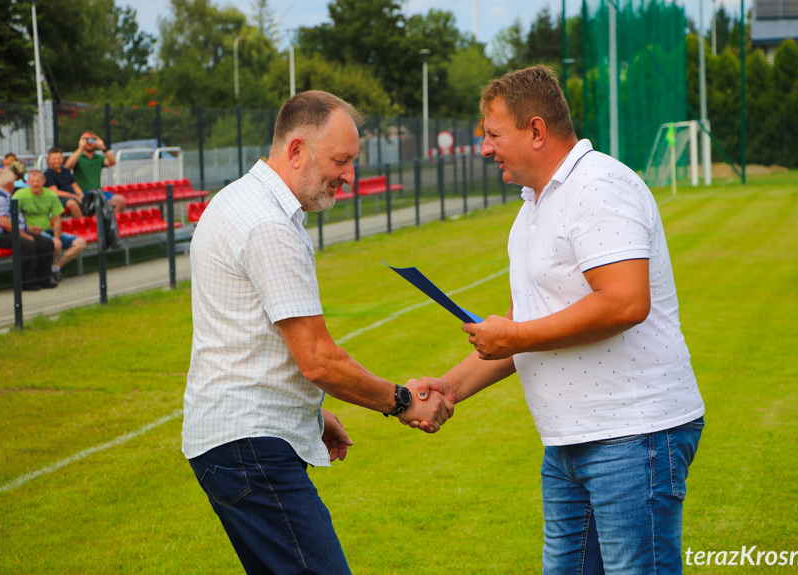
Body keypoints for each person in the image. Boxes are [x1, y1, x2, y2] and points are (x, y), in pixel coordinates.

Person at [414, 66, 706, 574]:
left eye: (493, 134)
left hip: (632, 435)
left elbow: (623, 302)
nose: (485, 148)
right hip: (569, 441)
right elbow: (524, 326)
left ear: (535, 130)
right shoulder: (531, 208)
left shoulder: (599, 186)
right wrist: (449, 387)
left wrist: (517, 334)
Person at [182, 90, 454, 575]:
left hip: (238, 441)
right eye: (341, 160)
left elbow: (251, 340)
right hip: (250, 446)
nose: (350, 174)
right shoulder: (268, 224)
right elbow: (318, 359)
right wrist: (403, 401)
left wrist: (310, 414)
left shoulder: (239, 201)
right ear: (296, 151)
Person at [0, 168, 57, 290]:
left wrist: (29, 229)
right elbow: (4, 223)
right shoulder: (0, 198)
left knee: (46, 243)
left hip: (13, 232)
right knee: (28, 244)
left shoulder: (6, 196)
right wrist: (23, 234)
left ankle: (44, 279)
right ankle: (26, 283)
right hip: (1, 236)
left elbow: (14, 221)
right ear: (9, 184)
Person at [13, 170, 86, 282]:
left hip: (48, 229)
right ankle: (43, 271)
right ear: (28, 182)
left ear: (44, 181)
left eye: (38, 181)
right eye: (32, 181)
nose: (35, 184)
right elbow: (13, 216)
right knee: (55, 244)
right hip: (30, 231)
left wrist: (57, 238)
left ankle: (54, 268)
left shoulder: (51, 195)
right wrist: (28, 228)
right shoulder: (20, 195)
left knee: (80, 243)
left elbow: (57, 219)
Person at [64, 131, 126, 213]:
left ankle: (110, 225)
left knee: (120, 200)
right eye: (86, 140)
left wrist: (103, 148)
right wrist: (80, 148)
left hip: (98, 192)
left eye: (92, 140)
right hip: (83, 193)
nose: (89, 142)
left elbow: (112, 162)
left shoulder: (99, 158)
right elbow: (68, 166)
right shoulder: (78, 156)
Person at [44, 147, 84, 217]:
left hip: (72, 196)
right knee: (72, 204)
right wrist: (73, 196)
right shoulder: (48, 174)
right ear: (48, 160)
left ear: (62, 159)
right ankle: (82, 224)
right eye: (54, 159)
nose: (57, 161)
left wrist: (81, 195)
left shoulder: (66, 171)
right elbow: (55, 191)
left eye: (59, 158)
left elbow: (75, 185)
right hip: (58, 199)